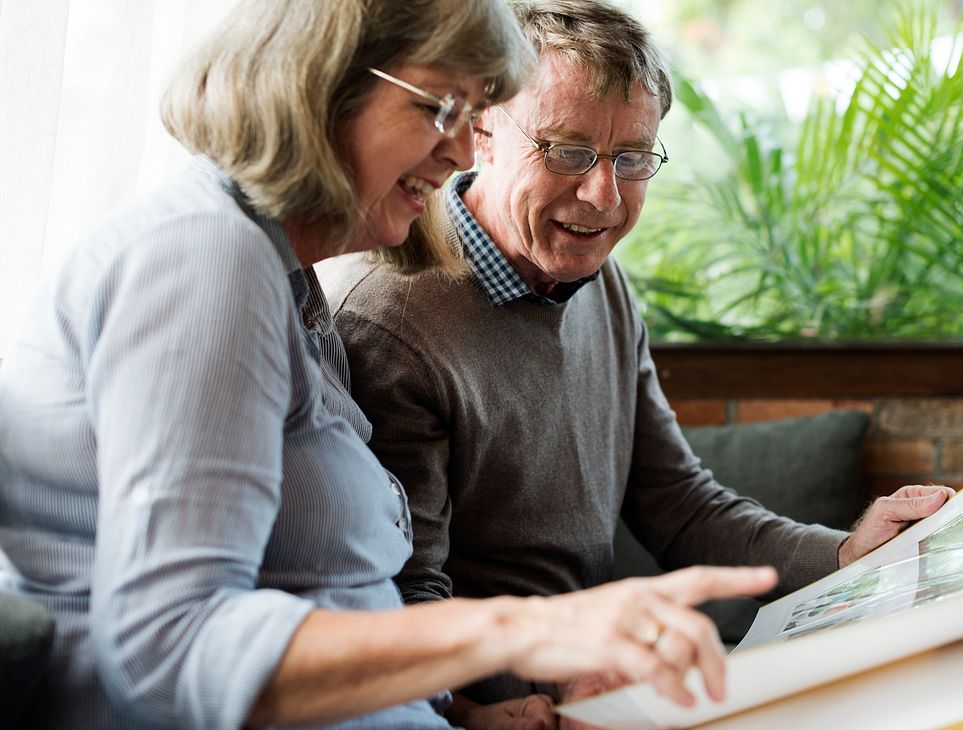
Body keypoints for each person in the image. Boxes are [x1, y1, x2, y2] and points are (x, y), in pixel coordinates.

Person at [0, 1, 783, 729]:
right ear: (320, 85)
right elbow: (168, 646)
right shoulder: (204, 258)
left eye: (472, 112)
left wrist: (469, 708)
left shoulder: (281, 277)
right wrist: (529, 629)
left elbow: (341, 598)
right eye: (440, 107)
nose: (457, 149)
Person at [318, 0, 954, 720]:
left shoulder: (598, 279)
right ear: (481, 131)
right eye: (567, 150)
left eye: (632, 158)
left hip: (609, 685)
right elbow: (399, 599)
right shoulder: (389, 321)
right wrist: (494, 705)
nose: (604, 197)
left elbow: (679, 506)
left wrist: (844, 554)